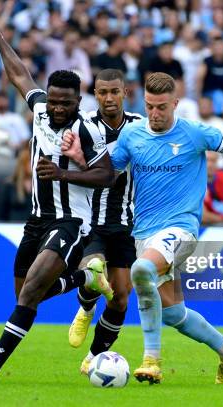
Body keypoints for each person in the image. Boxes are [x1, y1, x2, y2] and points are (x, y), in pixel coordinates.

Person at [62, 72, 223, 384]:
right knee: (174, 313)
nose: (155, 113)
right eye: (150, 106)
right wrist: (79, 160)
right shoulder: (132, 136)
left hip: (181, 230)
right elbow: (105, 174)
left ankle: (151, 360)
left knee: (140, 271)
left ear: (175, 103)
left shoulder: (195, 133)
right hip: (145, 233)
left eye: (162, 107)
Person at [0, 11, 114, 386]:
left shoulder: (90, 130)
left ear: (79, 100)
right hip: (36, 220)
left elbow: (107, 174)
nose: (59, 108)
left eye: (67, 103)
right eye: (56, 101)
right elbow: (18, 74)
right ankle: (85, 278)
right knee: (24, 296)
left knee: (30, 292)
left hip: (71, 222)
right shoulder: (42, 110)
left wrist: (62, 173)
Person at [67, 69, 143, 375]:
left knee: (121, 297)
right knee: (93, 270)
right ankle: (85, 309)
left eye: (114, 92)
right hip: (91, 219)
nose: (108, 98)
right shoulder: (83, 126)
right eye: (102, 93)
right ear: (94, 94)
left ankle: (93, 356)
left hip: (126, 222)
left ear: (125, 92)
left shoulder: (140, 126)